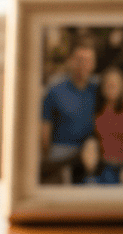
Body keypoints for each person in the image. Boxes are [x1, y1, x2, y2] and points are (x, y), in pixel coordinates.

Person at [38, 41, 97, 184]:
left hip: (89, 153)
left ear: (93, 64)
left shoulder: (97, 90)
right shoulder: (55, 91)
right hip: (61, 152)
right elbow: (44, 133)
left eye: (88, 61)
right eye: (79, 60)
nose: (83, 65)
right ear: (71, 61)